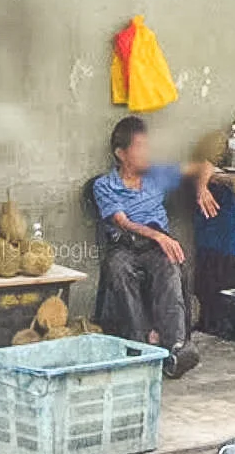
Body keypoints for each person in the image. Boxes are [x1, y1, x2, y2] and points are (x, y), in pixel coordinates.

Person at [92, 115, 220, 378]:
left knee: (170, 268)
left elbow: (205, 165)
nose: (147, 152)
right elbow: (122, 222)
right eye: (140, 147)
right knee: (118, 269)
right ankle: (140, 346)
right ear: (121, 153)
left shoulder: (157, 175)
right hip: (124, 245)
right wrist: (158, 236)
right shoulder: (104, 185)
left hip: (157, 246)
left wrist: (201, 188)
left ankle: (176, 348)